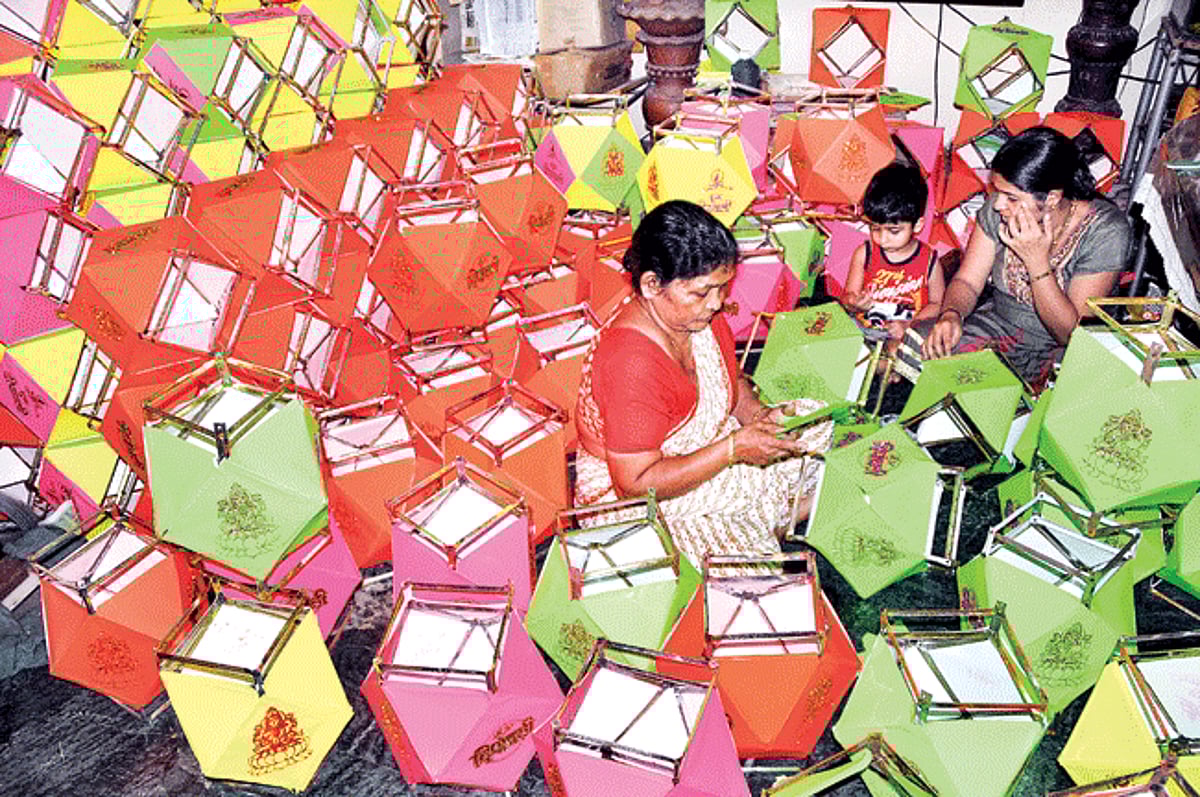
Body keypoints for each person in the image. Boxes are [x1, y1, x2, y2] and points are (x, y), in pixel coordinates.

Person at [574, 200, 831, 566]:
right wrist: (731, 451)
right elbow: (634, 482)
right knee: (742, 568)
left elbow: (730, 380)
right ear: (651, 285)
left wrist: (757, 416)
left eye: (722, 288)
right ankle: (765, 520)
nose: (717, 303)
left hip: (713, 445)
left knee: (815, 421)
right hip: (639, 497)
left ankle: (765, 515)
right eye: (701, 292)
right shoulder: (629, 363)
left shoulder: (695, 317)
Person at [904, 126, 1130, 384]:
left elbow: (1071, 335)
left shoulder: (1106, 231)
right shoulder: (999, 209)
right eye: (997, 192)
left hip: (1057, 352)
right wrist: (951, 314)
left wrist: (1037, 263)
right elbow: (967, 281)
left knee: (990, 391)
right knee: (914, 345)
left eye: (1011, 197)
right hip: (996, 327)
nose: (998, 204)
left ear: (1053, 197)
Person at [841, 163, 945, 342]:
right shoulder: (864, 253)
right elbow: (848, 297)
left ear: (918, 225)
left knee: (901, 351)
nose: (882, 239)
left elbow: (938, 304)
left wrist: (910, 324)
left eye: (893, 231)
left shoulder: (929, 260)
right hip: (864, 331)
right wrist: (854, 303)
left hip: (906, 334)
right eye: (875, 228)